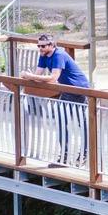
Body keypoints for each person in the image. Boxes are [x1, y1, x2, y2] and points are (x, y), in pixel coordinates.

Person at [23, 33, 92, 163]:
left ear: (51, 45)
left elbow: (53, 78)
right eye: (38, 46)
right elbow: (38, 75)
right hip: (66, 90)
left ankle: (84, 155)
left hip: (79, 90)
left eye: (43, 46)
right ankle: (64, 156)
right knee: (61, 122)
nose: (40, 48)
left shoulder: (59, 55)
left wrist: (30, 76)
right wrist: (30, 76)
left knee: (82, 124)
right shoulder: (43, 55)